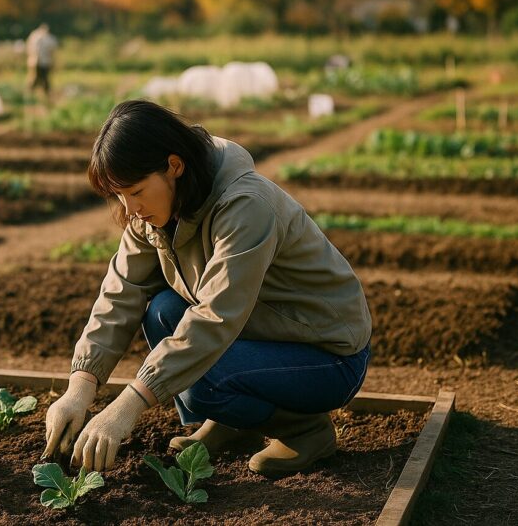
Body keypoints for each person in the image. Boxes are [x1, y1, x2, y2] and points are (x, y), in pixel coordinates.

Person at [42, 100, 372, 477]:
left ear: (174, 166)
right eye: (119, 195)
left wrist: (128, 405)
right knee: (163, 311)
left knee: (203, 381)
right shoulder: (151, 213)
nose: (129, 208)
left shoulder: (245, 205)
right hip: (264, 332)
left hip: (328, 355)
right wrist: (80, 387)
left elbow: (216, 317)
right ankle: (230, 425)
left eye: (135, 191)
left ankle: (306, 431)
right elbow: (121, 292)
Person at [25, 23, 58, 102]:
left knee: (41, 78)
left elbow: (29, 48)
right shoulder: (45, 37)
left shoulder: (35, 36)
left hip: (39, 61)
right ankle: (32, 95)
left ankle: (36, 95)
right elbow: (52, 51)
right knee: (38, 78)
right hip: (41, 61)